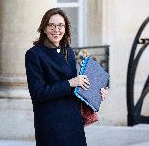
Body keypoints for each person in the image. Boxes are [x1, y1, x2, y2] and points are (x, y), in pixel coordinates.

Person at [25, 8, 108, 146]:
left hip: (73, 121)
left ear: (66, 28)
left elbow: (77, 86)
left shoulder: (68, 51)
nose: (56, 29)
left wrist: (96, 93)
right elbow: (38, 93)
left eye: (60, 25)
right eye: (51, 25)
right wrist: (70, 83)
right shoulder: (34, 54)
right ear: (44, 28)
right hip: (51, 124)